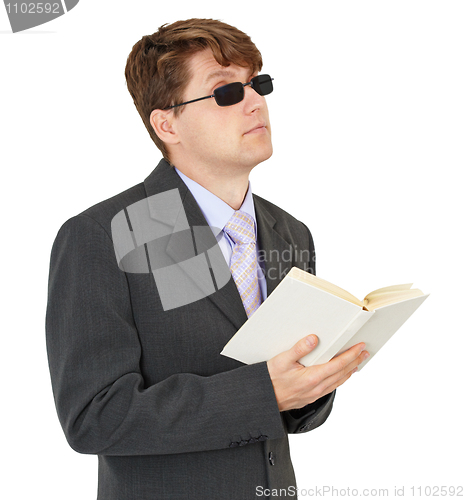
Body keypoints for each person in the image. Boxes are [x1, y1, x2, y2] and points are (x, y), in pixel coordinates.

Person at [46, 18, 369, 500]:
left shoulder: (290, 233)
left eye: (257, 84)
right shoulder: (106, 234)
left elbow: (291, 412)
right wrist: (265, 392)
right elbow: (94, 417)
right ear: (166, 122)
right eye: (225, 92)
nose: (256, 101)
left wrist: (317, 382)